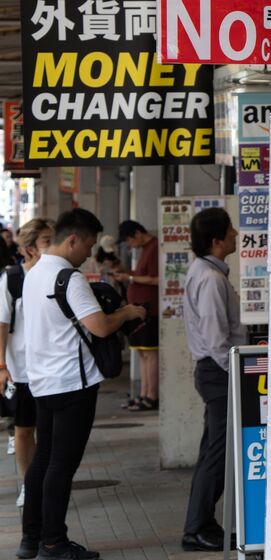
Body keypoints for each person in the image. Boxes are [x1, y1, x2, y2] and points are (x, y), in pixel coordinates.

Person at [21, 209, 145, 560]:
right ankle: (53, 542)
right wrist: (127, 313)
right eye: (88, 244)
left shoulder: (34, 273)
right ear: (73, 239)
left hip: (43, 380)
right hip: (72, 383)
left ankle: (31, 537)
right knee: (62, 464)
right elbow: (101, 327)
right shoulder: (68, 278)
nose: (89, 253)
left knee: (43, 460)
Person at [180, 207, 244, 552]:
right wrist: (233, 372)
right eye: (230, 230)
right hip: (219, 373)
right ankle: (197, 528)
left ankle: (201, 522)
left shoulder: (206, 272)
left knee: (213, 452)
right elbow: (218, 339)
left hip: (215, 371)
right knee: (217, 454)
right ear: (217, 241)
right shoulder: (210, 279)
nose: (236, 234)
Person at [0, 219, 52, 508]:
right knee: (23, 429)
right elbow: (2, 323)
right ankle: (28, 483)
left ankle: (44, 484)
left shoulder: (59, 274)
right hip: (21, 369)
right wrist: (2, 367)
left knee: (49, 431)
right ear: (29, 247)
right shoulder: (13, 277)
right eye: (47, 240)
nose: (51, 244)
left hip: (54, 367)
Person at [112, 221, 160, 412]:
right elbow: (143, 275)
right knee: (141, 352)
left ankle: (151, 395)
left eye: (129, 240)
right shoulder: (146, 249)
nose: (130, 245)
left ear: (138, 233)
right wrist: (127, 274)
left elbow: (156, 278)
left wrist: (129, 278)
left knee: (149, 352)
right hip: (139, 310)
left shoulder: (155, 247)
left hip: (150, 310)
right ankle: (143, 393)